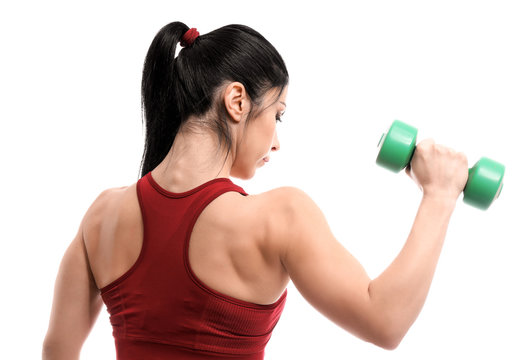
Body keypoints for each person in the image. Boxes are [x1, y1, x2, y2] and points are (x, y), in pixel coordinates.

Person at [42, 21, 469, 359]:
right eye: (278, 114)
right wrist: (440, 195)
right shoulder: (279, 215)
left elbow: (57, 352)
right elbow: (385, 322)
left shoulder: (103, 215)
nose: (277, 141)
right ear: (237, 101)